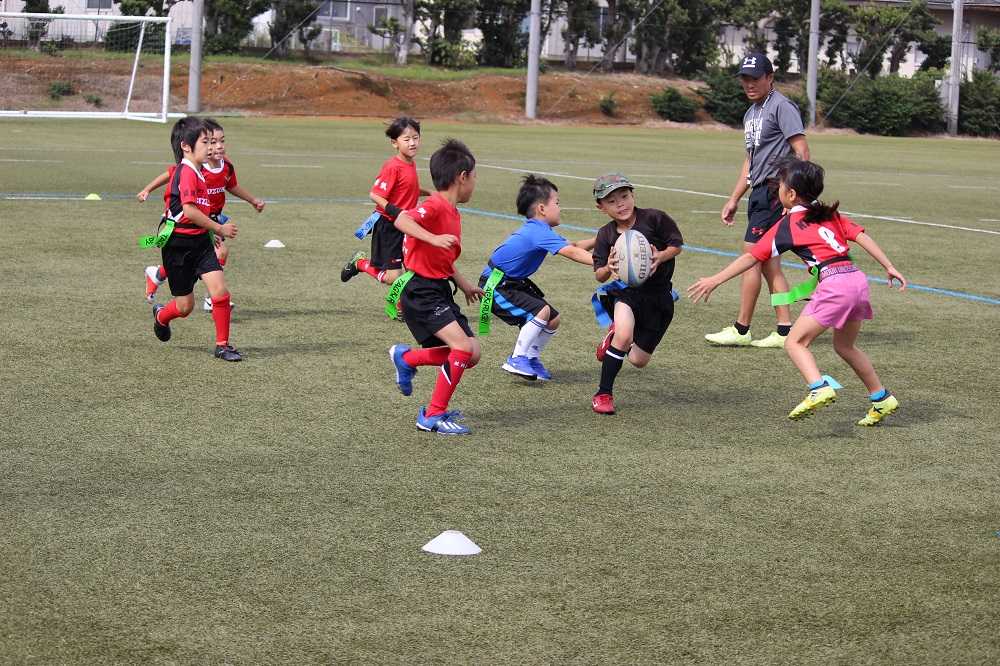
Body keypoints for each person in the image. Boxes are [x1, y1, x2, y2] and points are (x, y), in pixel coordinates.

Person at [688, 158, 906, 425]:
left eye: (780, 186)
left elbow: (752, 257)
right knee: (845, 346)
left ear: (790, 194)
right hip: (857, 281)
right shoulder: (829, 214)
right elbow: (860, 236)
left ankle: (818, 388)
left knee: (794, 342)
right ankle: (881, 398)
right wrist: (889, 266)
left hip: (834, 285)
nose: (777, 190)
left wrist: (716, 279)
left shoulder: (788, 225)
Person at [706, 52, 810, 349]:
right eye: (745, 79)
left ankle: (743, 329)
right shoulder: (751, 113)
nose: (749, 84)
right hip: (759, 193)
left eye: (755, 78)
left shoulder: (781, 106)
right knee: (768, 263)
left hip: (777, 191)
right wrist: (734, 198)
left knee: (753, 258)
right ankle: (784, 329)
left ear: (770, 77)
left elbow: (802, 150)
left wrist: (796, 196)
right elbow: (750, 161)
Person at [387, 139, 483, 435]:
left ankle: (407, 358)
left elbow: (442, 258)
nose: (475, 183)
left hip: (439, 289)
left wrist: (463, 283)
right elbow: (402, 219)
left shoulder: (452, 212)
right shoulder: (435, 205)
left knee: (471, 353)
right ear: (462, 177)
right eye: (474, 176)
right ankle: (432, 415)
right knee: (462, 348)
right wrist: (432, 238)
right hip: (421, 290)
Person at [139, 118, 265, 309]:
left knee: (204, 257)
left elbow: (232, 186)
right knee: (215, 253)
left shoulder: (226, 166)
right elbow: (170, 174)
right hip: (191, 221)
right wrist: (147, 189)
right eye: (211, 142)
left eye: (222, 141)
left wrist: (252, 200)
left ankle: (158, 274)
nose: (218, 146)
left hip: (211, 218)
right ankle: (210, 298)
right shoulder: (194, 166)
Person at [479, 175, 595, 382]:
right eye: (557, 203)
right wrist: (603, 264)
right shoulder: (537, 232)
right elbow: (572, 253)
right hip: (495, 285)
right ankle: (517, 358)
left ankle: (531, 359)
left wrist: (600, 239)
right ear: (542, 208)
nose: (560, 208)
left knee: (552, 319)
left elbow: (574, 246)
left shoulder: (540, 230)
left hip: (510, 283)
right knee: (541, 311)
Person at [148, 117, 242, 361]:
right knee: (184, 307)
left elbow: (200, 212)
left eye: (212, 142)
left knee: (220, 291)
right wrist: (219, 228)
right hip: (177, 246)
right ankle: (161, 316)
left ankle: (222, 345)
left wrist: (210, 232)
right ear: (186, 146)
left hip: (201, 243)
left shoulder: (199, 171)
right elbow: (189, 211)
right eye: (205, 142)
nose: (211, 148)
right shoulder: (187, 173)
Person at [591, 173, 684, 415]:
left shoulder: (655, 218)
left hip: (660, 297)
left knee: (637, 360)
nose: (620, 204)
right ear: (601, 207)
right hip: (627, 294)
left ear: (633, 195)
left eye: (624, 196)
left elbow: (676, 245)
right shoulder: (605, 234)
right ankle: (603, 393)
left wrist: (661, 256)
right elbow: (599, 274)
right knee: (624, 337)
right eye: (612, 201)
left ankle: (614, 338)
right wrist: (608, 268)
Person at [341, 116, 430, 291]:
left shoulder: (410, 164)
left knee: (414, 270)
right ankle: (359, 263)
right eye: (407, 139)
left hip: (407, 225)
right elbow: (375, 195)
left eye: (415, 138)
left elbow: (407, 189)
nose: (412, 143)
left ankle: (405, 304)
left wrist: (430, 193)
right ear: (394, 143)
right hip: (389, 226)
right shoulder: (392, 166)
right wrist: (396, 212)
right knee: (393, 278)